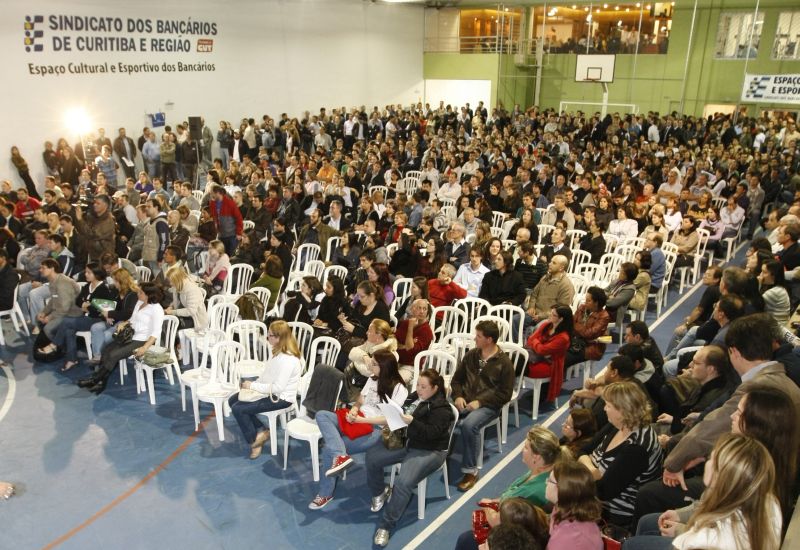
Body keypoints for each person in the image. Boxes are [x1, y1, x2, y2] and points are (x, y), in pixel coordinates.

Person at [624, 434, 781, 550]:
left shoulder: (707, 539)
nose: (706, 461)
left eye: (712, 458)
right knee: (646, 522)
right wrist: (680, 515)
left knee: (631, 545)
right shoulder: (766, 499)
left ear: (720, 475)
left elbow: (693, 540)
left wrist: (679, 530)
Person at [309, 350, 408, 510]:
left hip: (376, 430)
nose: (370, 366)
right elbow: (360, 401)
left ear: (384, 367)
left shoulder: (399, 389)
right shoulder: (373, 379)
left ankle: (325, 493)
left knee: (328, 449)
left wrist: (362, 420)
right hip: (358, 419)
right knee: (322, 415)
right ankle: (340, 455)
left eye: (373, 364)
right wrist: (354, 410)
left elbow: (389, 419)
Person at [367, 369, 455, 547]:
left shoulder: (442, 409)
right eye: (418, 385)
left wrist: (412, 422)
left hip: (430, 450)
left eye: (423, 387)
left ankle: (385, 526)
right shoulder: (416, 396)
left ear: (435, 388)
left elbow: (431, 434)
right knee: (372, 458)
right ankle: (380, 492)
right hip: (409, 442)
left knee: (402, 483)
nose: (418, 389)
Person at [454, 426, 568, 550]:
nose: (522, 449)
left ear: (537, 457)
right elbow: (511, 494)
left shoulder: (535, 491)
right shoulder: (538, 472)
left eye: (526, 447)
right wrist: (495, 502)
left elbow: (501, 523)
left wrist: (486, 507)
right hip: (508, 521)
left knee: (465, 540)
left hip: (511, 539)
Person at [578, 381, 663, 528]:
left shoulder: (637, 448)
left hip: (612, 514)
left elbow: (604, 491)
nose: (604, 409)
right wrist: (592, 471)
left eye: (608, 405)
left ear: (623, 410)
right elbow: (583, 450)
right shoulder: (618, 424)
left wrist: (585, 464)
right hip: (592, 495)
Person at [451, 320, 515, 491]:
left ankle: (471, 471)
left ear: (489, 340)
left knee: (469, 425)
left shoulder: (505, 364)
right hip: (464, 400)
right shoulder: (471, 355)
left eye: (478, 336)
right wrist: (457, 396)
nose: (474, 339)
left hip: (489, 406)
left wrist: (480, 402)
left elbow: (505, 395)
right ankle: (438, 456)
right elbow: (456, 380)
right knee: (440, 412)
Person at [228, 320, 302, 459]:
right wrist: (254, 384)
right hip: (271, 393)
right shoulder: (278, 352)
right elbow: (267, 375)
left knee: (238, 409)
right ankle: (261, 430)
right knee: (232, 400)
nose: (267, 337)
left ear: (279, 338)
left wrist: (252, 386)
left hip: (281, 398)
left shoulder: (288, 360)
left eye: (270, 335)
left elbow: (278, 387)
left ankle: (254, 442)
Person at [76, 283, 165, 395]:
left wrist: (145, 347)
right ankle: (101, 383)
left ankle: (95, 379)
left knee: (114, 355)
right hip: (131, 336)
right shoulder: (139, 302)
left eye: (140, 292)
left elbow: (156, 332)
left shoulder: (156, 309)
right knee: (107, 350)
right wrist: (124, 323)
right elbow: (132, 319)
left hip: (142, 340)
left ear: (148, 295)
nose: (137, 294)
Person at [48, 263, 114, 371]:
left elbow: (98, 310)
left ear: (96, 274)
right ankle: (71, 359)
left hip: (95, 320)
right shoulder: (87, 286)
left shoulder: (104, 289)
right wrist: (86, 305)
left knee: (66, 321)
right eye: (86, 272)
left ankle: (54, 344)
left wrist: (87, 306)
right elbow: (78, 301)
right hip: (85, 318)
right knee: (69, 330)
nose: (85, 274)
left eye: (89, 272)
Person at [544, 460, 604, 550]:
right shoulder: (563, 508)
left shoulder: (567, 538)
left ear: (562, 490)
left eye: (549, 480)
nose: (546, 483)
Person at [527, 306, 574, 404]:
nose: (549, 315)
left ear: (561, 319)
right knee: (513, 362)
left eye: (553, 315)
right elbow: (530, 340)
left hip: (550, 365)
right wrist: (538, 345)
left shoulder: (563, 337)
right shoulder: (546, 325)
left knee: (516, 364)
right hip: (537, 357)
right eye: (551, 312)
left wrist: (537, 343)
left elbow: (541, 350)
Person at [164, 265, 207, 362]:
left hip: (195, 319)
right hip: (184, 314)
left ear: (177, 280)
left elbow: (191, 311)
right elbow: (176, 302)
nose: (170, 283)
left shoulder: (191, 289)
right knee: (167, 322)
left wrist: (173, 312)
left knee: (172, 323)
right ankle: (173, 347)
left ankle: (178, 347)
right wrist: (171, 307)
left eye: (171, 281)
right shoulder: (178, 286)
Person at [565, 288, 610, 368]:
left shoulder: (604, 316)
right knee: (557, 352)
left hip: (591, 347)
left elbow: (589, 334)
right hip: (575, 341)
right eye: (585, 299)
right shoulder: (582, 307)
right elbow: (571, 324)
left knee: (565, 358)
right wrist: (581, 328)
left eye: (588, 301)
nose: (585, 302)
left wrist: (577, 327)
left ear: (596, 303)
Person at [394, 298, 434, 382]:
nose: (422, 311)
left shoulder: (426, 331)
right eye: (419, 308)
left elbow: (410, 349)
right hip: (396, 360)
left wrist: (410, 328)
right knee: (379, 373)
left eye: (424, 309)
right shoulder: (405, 323)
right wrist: (404, 346)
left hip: (410, 366)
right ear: (412, 309)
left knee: (395, 381)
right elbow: (394, 341)